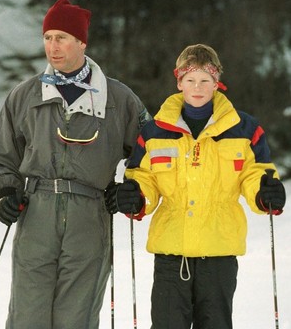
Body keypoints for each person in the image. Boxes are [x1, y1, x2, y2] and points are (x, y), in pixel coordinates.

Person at [0, 0, 151, 328]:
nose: (53, 46)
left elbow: (153, 152)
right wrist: (7, 192)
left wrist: (132, 188)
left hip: (90, 215)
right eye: (47, 38)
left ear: (81, 42)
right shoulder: (25, 95)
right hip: (36, 213)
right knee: (27, 316)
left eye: (61, 37)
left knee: (76, 317)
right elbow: (4, 157)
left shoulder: (118, 99)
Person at [106, 43, 286, 328]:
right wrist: (136, 196)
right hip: (170, 253)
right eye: (190, 80)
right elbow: (144, 178)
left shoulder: (244, 129)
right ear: (179, 82)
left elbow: (255, 173)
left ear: (217, 83)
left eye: (205, 80)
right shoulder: (154, 131)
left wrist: (265, 192)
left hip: (219, 252)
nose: (198, 87)